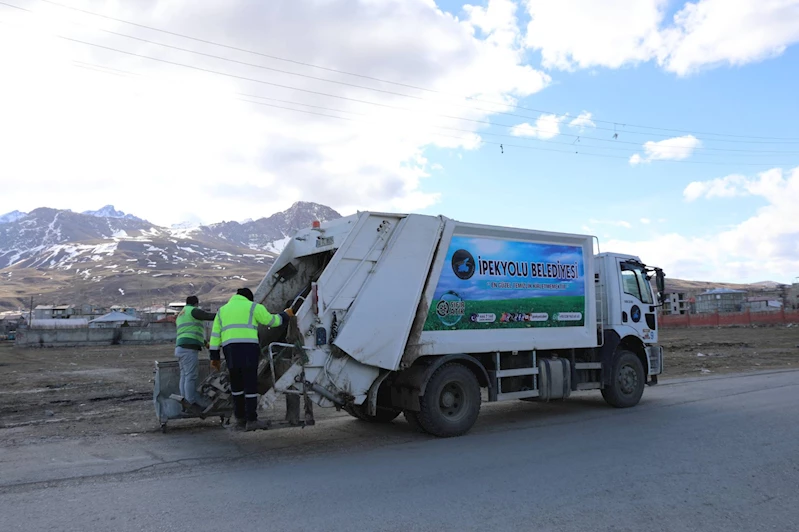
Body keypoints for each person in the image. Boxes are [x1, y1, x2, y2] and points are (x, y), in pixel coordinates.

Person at [209, 288, 293, 431]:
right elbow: (271, 321)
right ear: (249, 298)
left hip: (230, 351)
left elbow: (215, 335)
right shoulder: (253, 307)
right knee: (250, 385)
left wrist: (214, 357)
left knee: (236, 386)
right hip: (248, 349)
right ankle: (251, 420)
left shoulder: (222, 311)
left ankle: (240, 419)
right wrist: (286, 315)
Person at [174, 295, 216, 414]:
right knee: (190, 376)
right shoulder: (193, 311)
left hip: (180, 348)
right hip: (188, 349)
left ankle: (184, 402)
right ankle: (191, 403)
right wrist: (223, 314)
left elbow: (189, 332)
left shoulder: (181, 314)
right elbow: (208, 316)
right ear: (196, 303)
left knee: (184, 376)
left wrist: (205, 343)